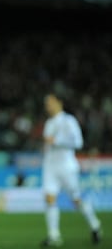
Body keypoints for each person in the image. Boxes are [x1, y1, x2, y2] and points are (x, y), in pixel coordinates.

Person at [40, 92, 102, 247]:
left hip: (66, 166)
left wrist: (57, 141)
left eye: (50, 102)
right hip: (50, 166)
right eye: (46, 103)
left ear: (59, 102)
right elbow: (48, 145)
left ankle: (94, 225)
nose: (48, 106)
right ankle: (54, 235)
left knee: (76, 200)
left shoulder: (69, 121)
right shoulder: (48, 123)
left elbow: (78, 143)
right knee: (49, 198)